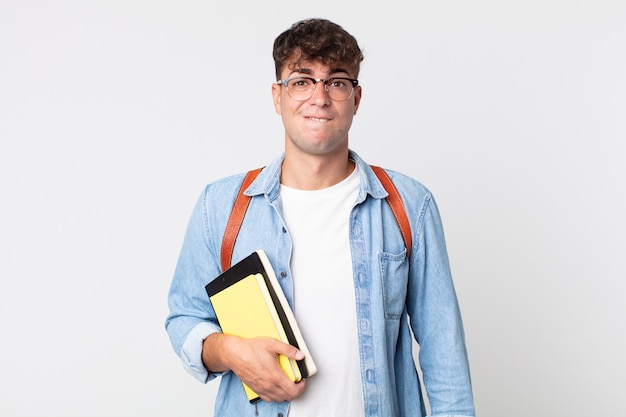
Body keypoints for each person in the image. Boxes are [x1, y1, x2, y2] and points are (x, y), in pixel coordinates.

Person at [165, 18, 475, 417]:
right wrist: (230, 350)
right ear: (277, 97)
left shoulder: (408, 205)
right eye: (302, 80)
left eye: (337, 82)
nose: (319, 97)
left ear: (356, 98)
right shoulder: (221, 205)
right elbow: (184, 319)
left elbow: (444, 355)